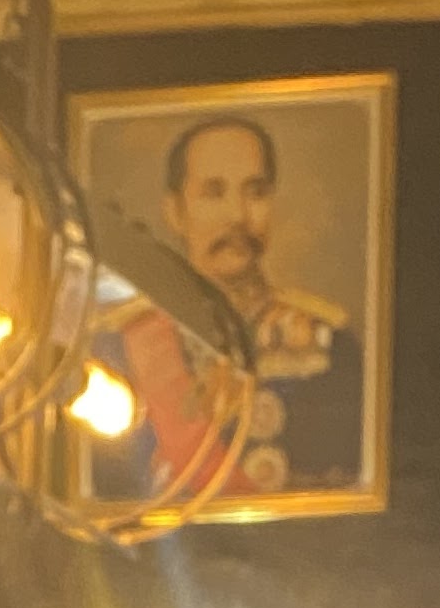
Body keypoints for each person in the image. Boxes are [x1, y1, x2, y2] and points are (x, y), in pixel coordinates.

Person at [104, 110, 363, 504]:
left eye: (255, 192)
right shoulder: (118, 350)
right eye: (213, 192)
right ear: (175, 212)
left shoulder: (331, 351)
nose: (238, 215)